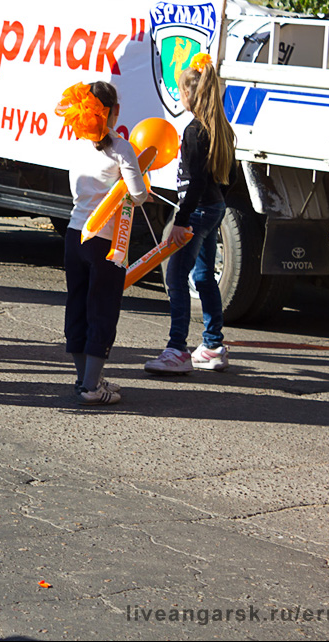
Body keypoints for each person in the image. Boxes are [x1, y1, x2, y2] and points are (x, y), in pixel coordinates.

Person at [57, 81, 148, 406]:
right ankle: (92, 388)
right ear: (114, 111)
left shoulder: (77, 145)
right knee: (103, 309)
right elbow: (138, 195)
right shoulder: (122, 148)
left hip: (75, 234)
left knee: (78, 306)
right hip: (106, 242)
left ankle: (85, 378)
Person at [145, 52, 236, 374]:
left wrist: (180, 222)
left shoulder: (195, 131)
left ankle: (176, 350)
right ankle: (212, 346)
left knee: (176, 277)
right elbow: (230, 176)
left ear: (189, 94)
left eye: (181, 91)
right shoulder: (220, 129)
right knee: (203, 276)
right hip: (212, 209)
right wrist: (215, 205)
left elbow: (196, 181)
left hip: (197, 212)